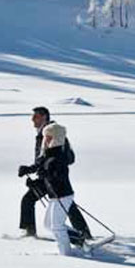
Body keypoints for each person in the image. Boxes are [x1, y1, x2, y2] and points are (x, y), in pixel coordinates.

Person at [17, 107, 91, 245]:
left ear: (44, 117)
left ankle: (83, 234)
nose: (32, 119)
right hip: (45, 177)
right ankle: (30, 231)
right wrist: (30, 169)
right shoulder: (42, 134)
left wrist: (50, 168)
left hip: (54, 177)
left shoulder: (55, 132)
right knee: (30, 200)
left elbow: (68, 158)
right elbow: (41, 159)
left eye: (36, 116)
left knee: (66, 204)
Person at [27, 116, 79, 256]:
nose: (46, 140)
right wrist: (28, 170)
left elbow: (59, 176)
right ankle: (79, 238)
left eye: (49, 137)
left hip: (63, 195)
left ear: (56, 138)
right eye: (46, 137)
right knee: (48, 225)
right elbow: (40, 166)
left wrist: (45, 174)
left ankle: (66, 253)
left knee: (57, 226)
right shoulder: (48, 153)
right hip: (55, 196)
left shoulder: (59, 155)